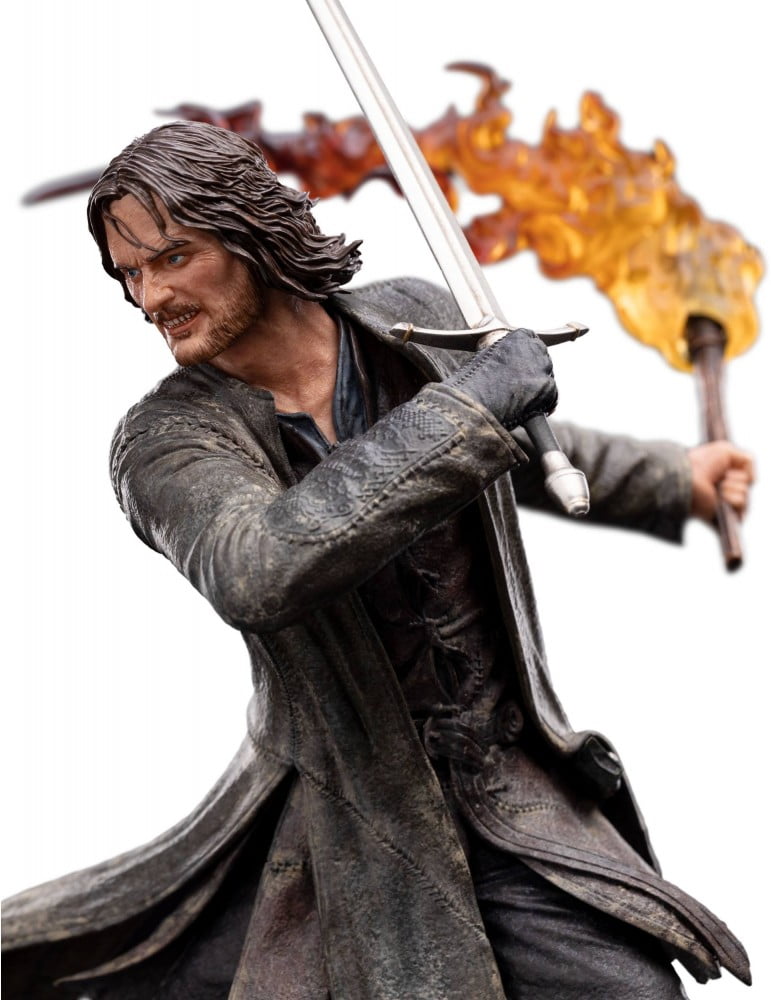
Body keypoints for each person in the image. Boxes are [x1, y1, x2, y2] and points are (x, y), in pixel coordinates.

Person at [2, 121, 754, 1000]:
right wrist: (469, 406)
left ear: (250, 234)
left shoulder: (414, 321)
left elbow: (523, 444)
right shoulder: (168, 440)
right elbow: (259, 568)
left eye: (173, 257)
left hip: (509, 787)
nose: (150, 295)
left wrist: (673, 480)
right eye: (130, 272)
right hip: (348, 819)